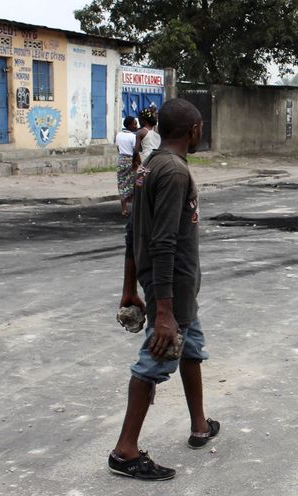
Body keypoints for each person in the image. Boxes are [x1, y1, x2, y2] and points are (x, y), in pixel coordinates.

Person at [108, 98, 219, 481]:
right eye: (200, 126)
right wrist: (165, 313)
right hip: (171, 289)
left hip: (170, 289)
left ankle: (200, 425)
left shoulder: (149, 166)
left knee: (191, 348)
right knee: (158, 358)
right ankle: (125, 451)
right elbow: (163, 242)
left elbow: (132, 231)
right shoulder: (172, 172)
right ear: (193, 130)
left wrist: (129, 289)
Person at [115, 116, 139, 217]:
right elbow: (136, 152)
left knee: (122, 184)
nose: (136, 126)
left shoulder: (119, 135)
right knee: (134, 184)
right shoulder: (133, 137)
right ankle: (135, 209)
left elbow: (118, 148)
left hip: (121, 160)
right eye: (134, 124)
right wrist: (139, 164)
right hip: (131, 161)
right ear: (129, 125)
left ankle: (124, 209)